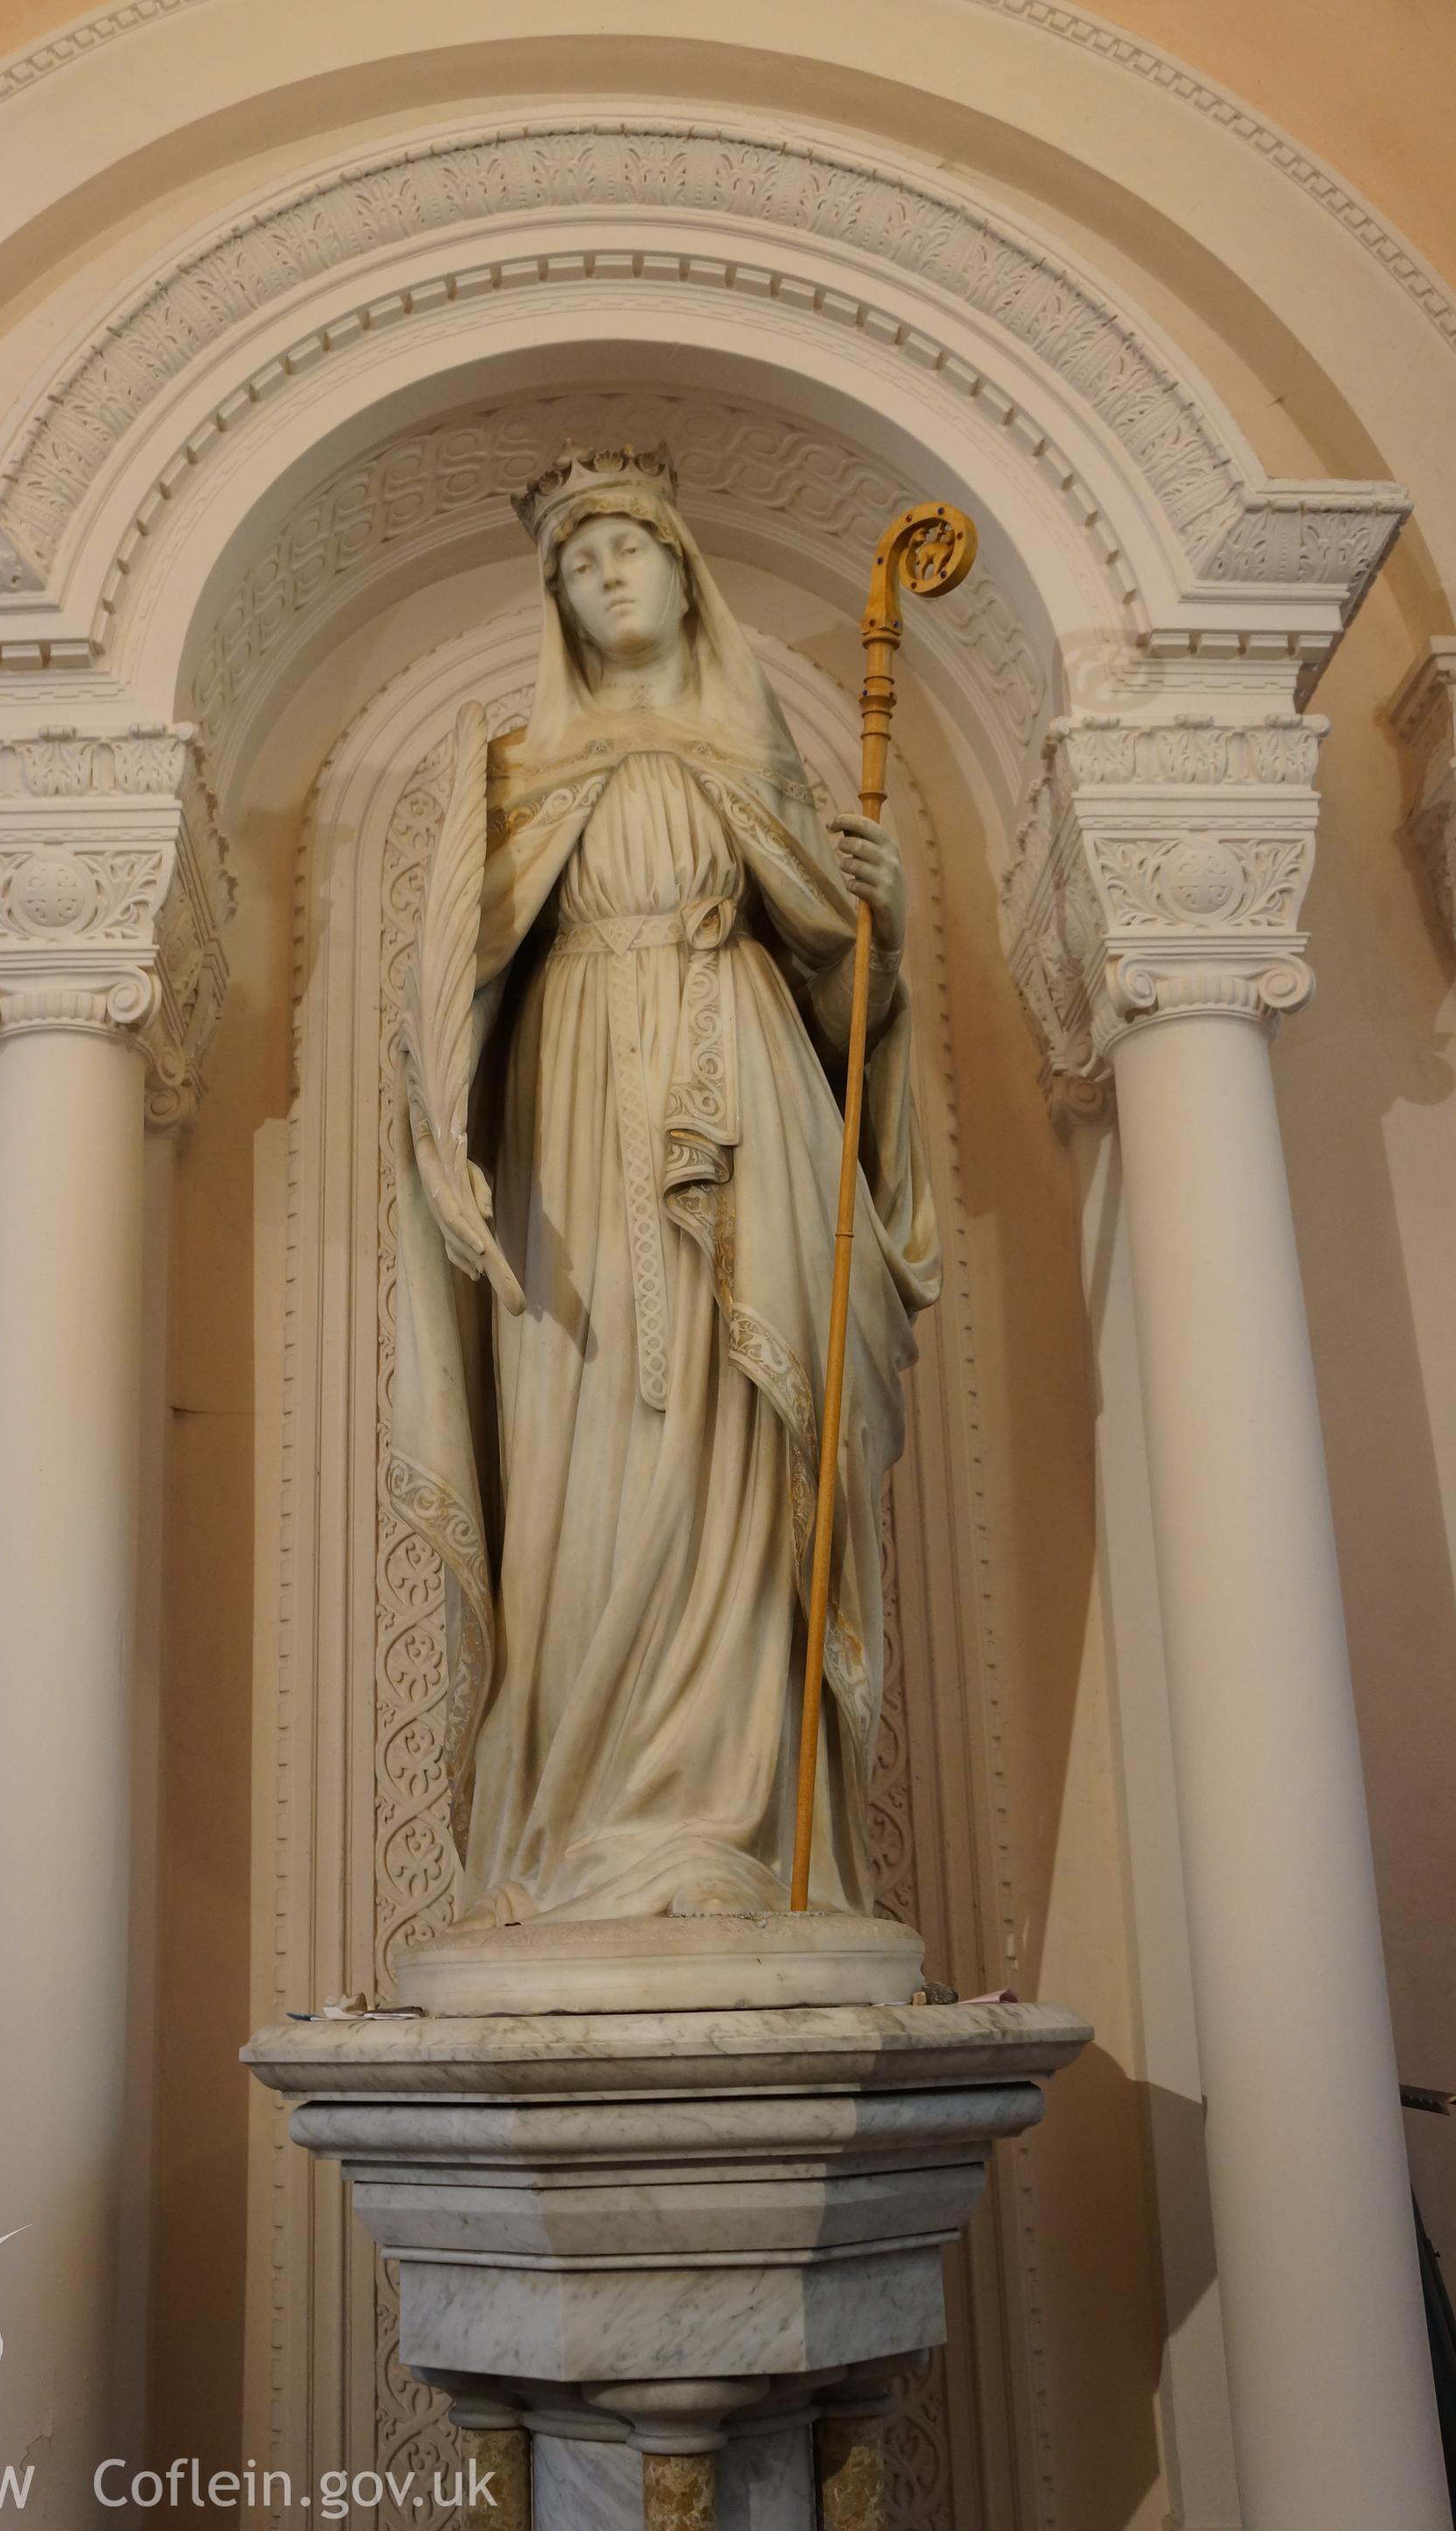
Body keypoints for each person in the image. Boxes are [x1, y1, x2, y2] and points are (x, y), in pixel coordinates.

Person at [391, 444, 939, 1927]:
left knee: (733, 1458)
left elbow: (847, 1003)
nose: (606, 573)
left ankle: (729, 1823)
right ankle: (573, 1826)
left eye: (630, 545)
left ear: (683, 570)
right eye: (576, 560)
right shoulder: (512, 772)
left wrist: (869, 934)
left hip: (747, 1108)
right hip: (573, 1138)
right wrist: (444, 1112)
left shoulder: (755, 764)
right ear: (554, 604)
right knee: (592, 1461)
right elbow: (447, 1012)